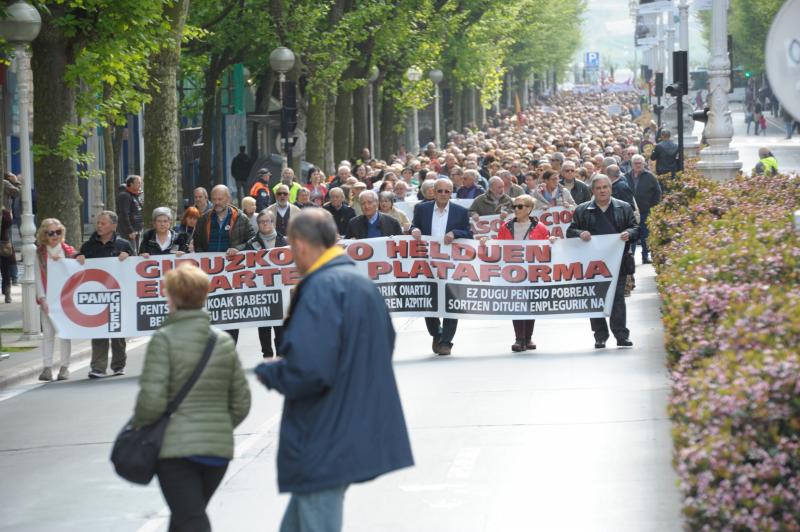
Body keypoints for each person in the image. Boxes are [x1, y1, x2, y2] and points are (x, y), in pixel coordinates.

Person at [254, 209, 413, 532]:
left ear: (299, 244)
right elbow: (383, 344)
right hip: (349, 421)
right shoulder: (360, 282)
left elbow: (310, 371)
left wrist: (272, 372)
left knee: (315, 514)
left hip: (323, 430)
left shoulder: (320, 287)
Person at [132, 263, 251, 532]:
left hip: (176, 451)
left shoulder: (163, 339)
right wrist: (218, 424)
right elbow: (242, 401)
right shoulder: (221, 342)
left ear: (172, 298)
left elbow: (151, 401)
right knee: (185, 516)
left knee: (191, 519)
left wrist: (139, 425)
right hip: (217, 451)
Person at [567, 175, 639, 349]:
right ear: (593, 190)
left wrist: (629, 233)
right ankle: (600, 336)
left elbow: (636, 228)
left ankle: (621, 335)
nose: (602, 191)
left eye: (605, 187)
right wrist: (580, 234)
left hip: (617, 261)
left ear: (610, 188)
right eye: (598, 188)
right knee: (596, 299)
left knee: (617, 298)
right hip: (592, 264)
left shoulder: (624, 207)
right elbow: (570, 231)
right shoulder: (582, 210)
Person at [410, 178, 473, 356]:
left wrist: (455, 233)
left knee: (451, 301)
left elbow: (469, 233)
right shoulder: (422, 209)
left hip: (451, 265)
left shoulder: (460, 211)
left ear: (451, 193)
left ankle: (446, 341)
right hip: (426, 264)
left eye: (447, 191)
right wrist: (413, 230)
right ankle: (436, 333)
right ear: (433, 192)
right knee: (429, 301)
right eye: (440, 191)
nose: (443, 194)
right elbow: (415, 227)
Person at [193, 185, 256, 343]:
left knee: (231, 314)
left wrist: (238, 249)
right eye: (214, 199)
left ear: (228, 199)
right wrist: (203, 257)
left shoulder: (240, 218)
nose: (217, 202)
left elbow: (253, 240)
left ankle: (230, 347)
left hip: (232, 275)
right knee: (211, 312)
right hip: (210, 275)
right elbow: (198, 243)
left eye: (220, 199)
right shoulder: (204, 219)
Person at [75, 211, 134, 378]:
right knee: (99, 331)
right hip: (97, 296)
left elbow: (135, 267)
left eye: (103, 223)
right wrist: (78, 257)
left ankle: (118, 365)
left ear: (114, 226)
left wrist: (128, 257)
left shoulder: (123, 245)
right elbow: (78, 263)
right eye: (98, 223)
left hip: (118, 295)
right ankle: (98, 368)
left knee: (117, 333)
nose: (99, 226)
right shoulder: (88, 246)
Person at [495, 194, 555, 352]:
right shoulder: (505, 227)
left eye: (520, 206)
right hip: (512, 271)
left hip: (533, 270)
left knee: (530, 304)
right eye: (514, 206)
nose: (516, 209)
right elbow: (498, 246)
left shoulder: (541, 228)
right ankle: (519, 338)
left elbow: (548, 247)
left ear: (529, 209)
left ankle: (528, 337)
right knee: (516, 304)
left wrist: (552, 241)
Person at [35, 218, 75, 381]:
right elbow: (37, 276)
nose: (55, 236)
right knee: (48, 335)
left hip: (65, 299)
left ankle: (65, 367)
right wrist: (42, 299)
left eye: (58, 232)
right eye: (51, 233)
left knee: (65, 334)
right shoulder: (39, 252)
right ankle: (47, 368)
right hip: (48, 300)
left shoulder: (69, 251)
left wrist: (64, 262)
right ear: (44, 234)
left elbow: (78, 272)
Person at [245, 210, 287, 358]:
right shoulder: (250, 244)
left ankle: (281, 357)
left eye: (267, 221)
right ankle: (267, 356)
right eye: (261, 222)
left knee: (281, 328)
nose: (264, 224)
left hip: (281, 292)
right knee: (264, 328)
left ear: (273, 223)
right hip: (261, 292)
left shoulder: (286, 242)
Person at [626, 155, 660, 263]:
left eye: (640, 163)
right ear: (632, 164)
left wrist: (653, 206)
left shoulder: (650, 176)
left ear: (643, 164)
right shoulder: (626, 176)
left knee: (646, 235)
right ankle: (631, 259)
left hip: (646, 210)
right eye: (635, 163)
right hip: (631, 212)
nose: (638, 165)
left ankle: (645, 256)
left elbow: (657, 192)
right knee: (632, 236)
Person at [1, 172, 20, 303]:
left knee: (6, 260)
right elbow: (18, 192)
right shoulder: (4, 183)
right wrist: (16, 181)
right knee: (6, 262)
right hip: (4, 229)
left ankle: (7, 291)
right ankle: (7, 292)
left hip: (4, 230)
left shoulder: (4, 184)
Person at [117, 175, 144, 252]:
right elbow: (124, 214)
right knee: (131, 251)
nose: (140, 185)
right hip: (129, 231)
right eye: (138, 183)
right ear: (131, 184)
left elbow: (139, 209)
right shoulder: (124, 195)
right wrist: (130, 230)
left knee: (137, 251)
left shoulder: (135, 195)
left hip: (137, 229)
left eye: (140, 183)